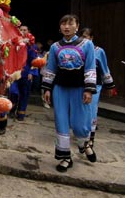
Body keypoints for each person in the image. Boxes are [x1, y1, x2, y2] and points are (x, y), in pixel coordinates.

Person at [42, 14, 97, 173]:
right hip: (60, 90)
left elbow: (90, 68)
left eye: (70, 23)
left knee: (80, 125)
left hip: (80, 89)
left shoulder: (87, 45)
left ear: (77, 26)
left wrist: (88, 89)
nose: (66, 27)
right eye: (63, 24)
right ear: (60, 27)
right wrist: (47, 88)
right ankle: (65, 158)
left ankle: (83, 144)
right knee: (61, 122)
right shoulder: (55, 47)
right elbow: (51, 69)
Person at [80, 27, 115, 148]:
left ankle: (90, 139)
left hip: (95, 85)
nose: (84, 39)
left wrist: (110, 85)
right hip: (79, 85)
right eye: (82, 37)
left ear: (91, 38)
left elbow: (105, 69)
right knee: (80, 110)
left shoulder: (99, 51)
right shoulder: (77, 50)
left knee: (91, 110)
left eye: (86, 36)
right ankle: (82, 135)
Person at [10, 25, 38, 121]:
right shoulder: (14, 42)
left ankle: (21, 113)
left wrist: (32, 72)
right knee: (13, 92)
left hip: (26, 72)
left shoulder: (32, 45)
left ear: (28, 31)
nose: (22, 31)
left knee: (24, 94)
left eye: (24, 30)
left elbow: (34, 60)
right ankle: (11, 110)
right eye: (21, 29)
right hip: (14, 72)